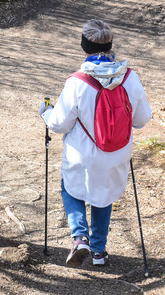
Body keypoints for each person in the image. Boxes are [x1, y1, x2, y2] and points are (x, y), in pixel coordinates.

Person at [39, 20, 152, 268]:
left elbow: (59, 124)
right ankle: (99, 252)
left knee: (70, 189)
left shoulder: (77, 82)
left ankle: (80, 238)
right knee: (104, 196)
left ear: (84, 46)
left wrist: (45, 112)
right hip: (117, 154)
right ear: (110, 45)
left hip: (83, 154)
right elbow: (142, 119)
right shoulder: (130, 78)